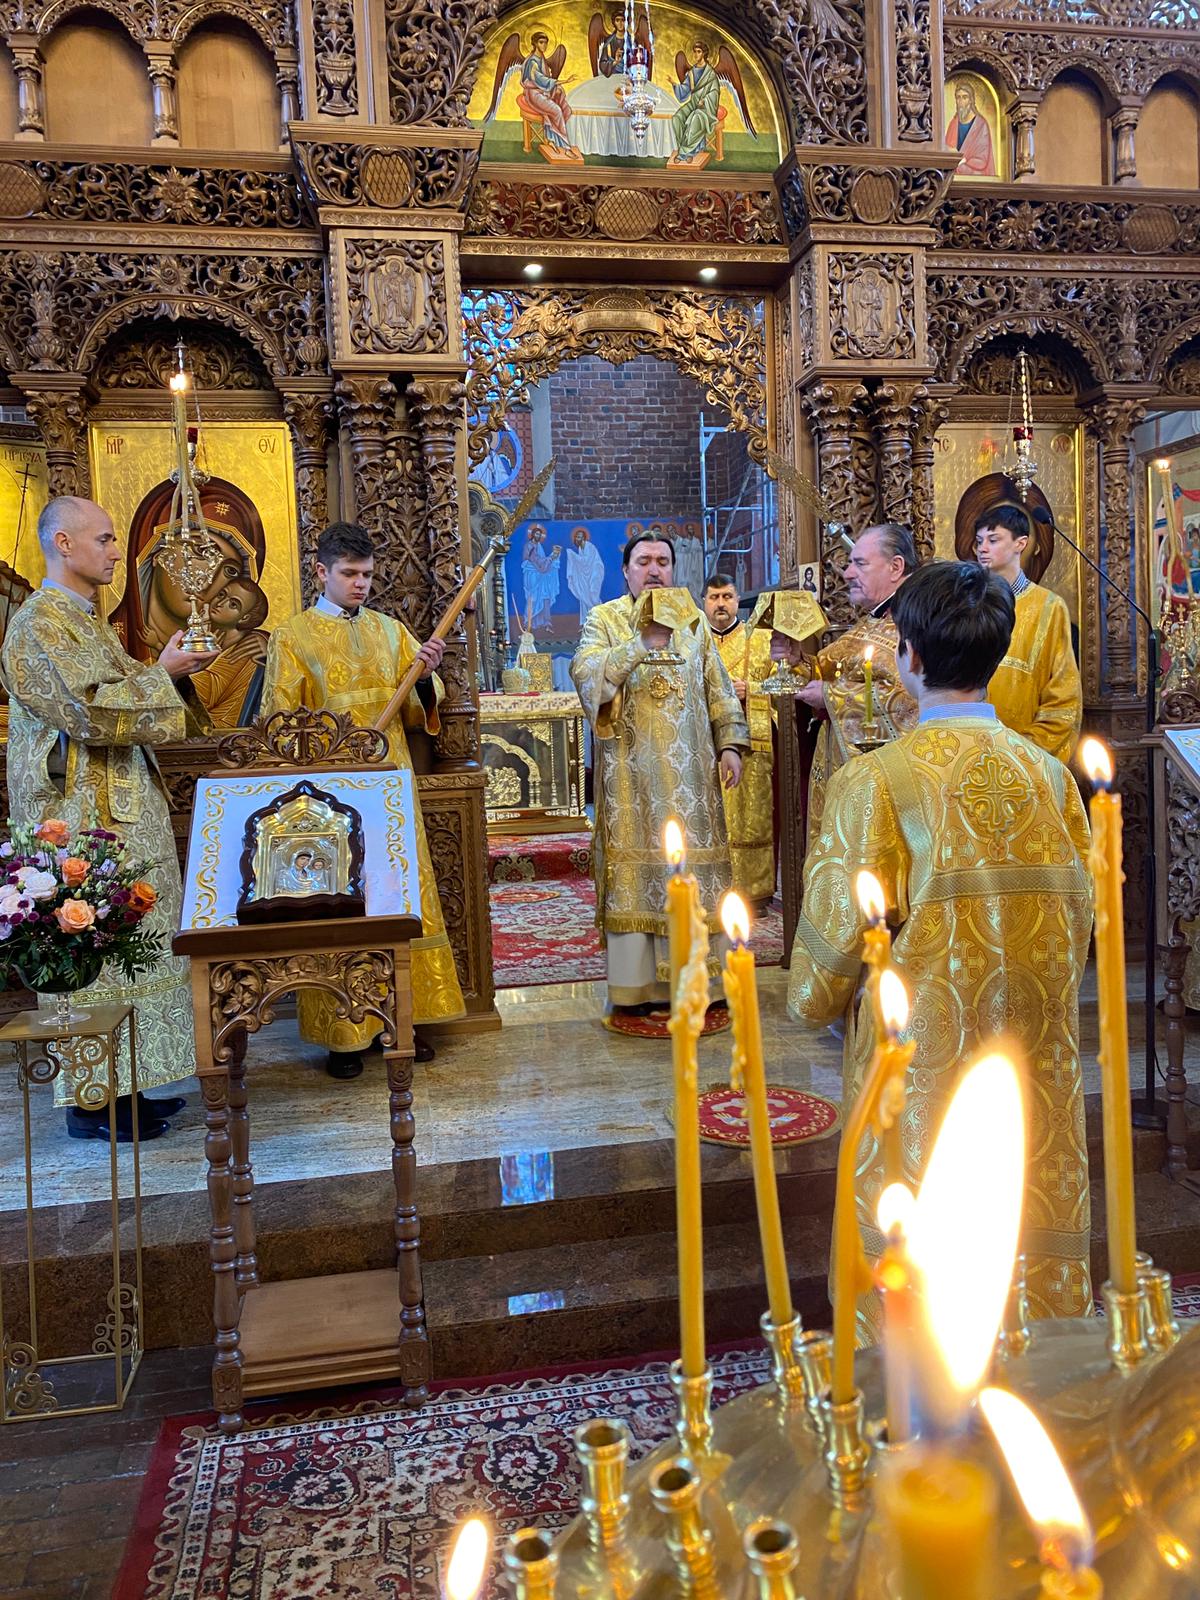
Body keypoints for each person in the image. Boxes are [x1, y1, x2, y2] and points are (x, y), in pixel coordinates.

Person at [788, 561, 1093, 1335]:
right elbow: (1083, 918)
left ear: (911, 656)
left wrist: (812, 997)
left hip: (921, 1064)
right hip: (1034, 1053)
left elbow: (821, 972)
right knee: (1020, 1220)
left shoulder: (877, 780)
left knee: (918, 1267)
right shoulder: (1052, 778)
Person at [1, 497, 215, 1143]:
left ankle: (129, 1087)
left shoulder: (87, 623)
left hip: (121, 816)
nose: (117, 551)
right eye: (105, 539)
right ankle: (91, 1103)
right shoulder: (37, 625)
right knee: (91, 953)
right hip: (76, 821)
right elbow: (87, 711)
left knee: (131, 956)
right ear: (63, 543)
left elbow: (130, 692)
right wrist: (163, 672)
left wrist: (170, 672)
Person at [261, 522, 466, 1075]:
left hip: (390, 787)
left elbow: (418, 711)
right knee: (342, 905)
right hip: (330, 796)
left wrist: (424, 677)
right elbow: (279, 722)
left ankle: (406, 1021)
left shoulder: (392, 631)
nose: (360, 584)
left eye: (368, 575)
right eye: (349, 574)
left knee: (396, 899)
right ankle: (344, 1036)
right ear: (321, 572)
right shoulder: (293, 637)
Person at [571, 532, 749, 1012]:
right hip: (630, 780)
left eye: (663, 561)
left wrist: (730, 744)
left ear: (674, 568)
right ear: (626, 570)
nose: (654, 569)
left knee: (697, 873)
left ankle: (705, 983)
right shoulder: (605, 618)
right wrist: (639, 644)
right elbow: (587, 677)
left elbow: (718, 686)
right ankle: (638, 988)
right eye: (644, 560)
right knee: (638, 873)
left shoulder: (694, 621)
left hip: (694, 783)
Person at [779, 524, 919, 839]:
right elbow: (827, 670)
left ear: (896, 567)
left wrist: (832, 697)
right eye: (849, 563)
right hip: (845, 775)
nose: (847, 573)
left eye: (860, 563)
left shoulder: (917, 621)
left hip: (884, 787)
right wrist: (797, 661)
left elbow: (910, 699)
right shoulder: (873, 620)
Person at [973, 502, 1082, 761]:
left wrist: (1026, 752)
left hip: (1026, 755)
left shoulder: (1049, 607)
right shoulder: (967, 603)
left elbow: (1063, 694)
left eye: (993, 540)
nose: (982, 548)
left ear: (1020, 543)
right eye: (979, 541)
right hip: (970, 749)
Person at [702, 571, 775, 907]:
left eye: (727, 597)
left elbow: (786, 683)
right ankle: (708, 890)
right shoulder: (693, 642)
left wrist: (753, 690)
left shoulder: (760, 640)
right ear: (704, 602)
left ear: (737, 600)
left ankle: (753, 892)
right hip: (705, 746)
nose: (721, 604)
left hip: (751, 749)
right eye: (714, 597)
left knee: (751, 819)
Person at [946, 79, 995, 176]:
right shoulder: (953, 124)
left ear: (971, 100)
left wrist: (963, 163)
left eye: (965, 97)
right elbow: (946, 150)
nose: (961, 101)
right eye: (958, 97)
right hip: (953, 175)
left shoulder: (981, 125)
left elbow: (982, 159)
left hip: (974, 174)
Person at [566, 526, 605, 624]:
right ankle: (587, 622)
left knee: (593, 597)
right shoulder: (580, 548)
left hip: (594, 574)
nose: (577, 539)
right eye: (576, 537)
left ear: (584, 538)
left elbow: (585, 561)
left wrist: (572, 554)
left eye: (579, 537)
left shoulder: (589, 546)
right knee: (584, 598)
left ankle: (599, 620)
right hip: (586, 577)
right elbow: (582, 565)